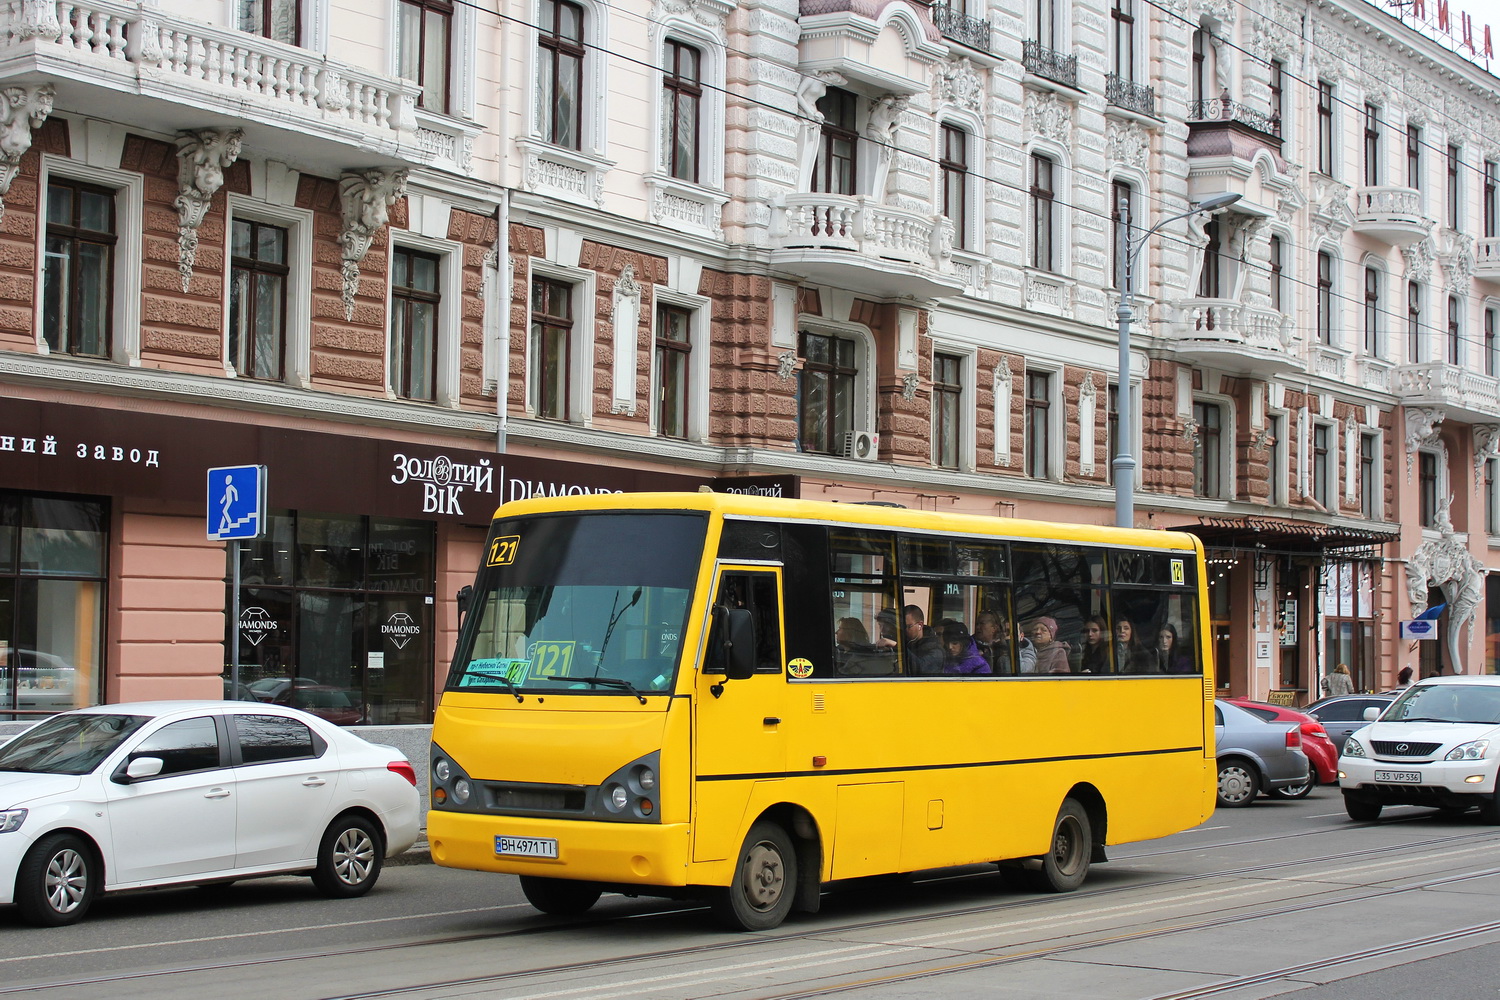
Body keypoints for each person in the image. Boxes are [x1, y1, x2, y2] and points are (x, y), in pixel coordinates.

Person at [903, 605, 943, 675]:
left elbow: (922, 668)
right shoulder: (907, 643)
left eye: (908, 626)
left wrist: (899, 648)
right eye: (902, 627)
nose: (905, 630)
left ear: (920, 625)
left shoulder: (935, 648)